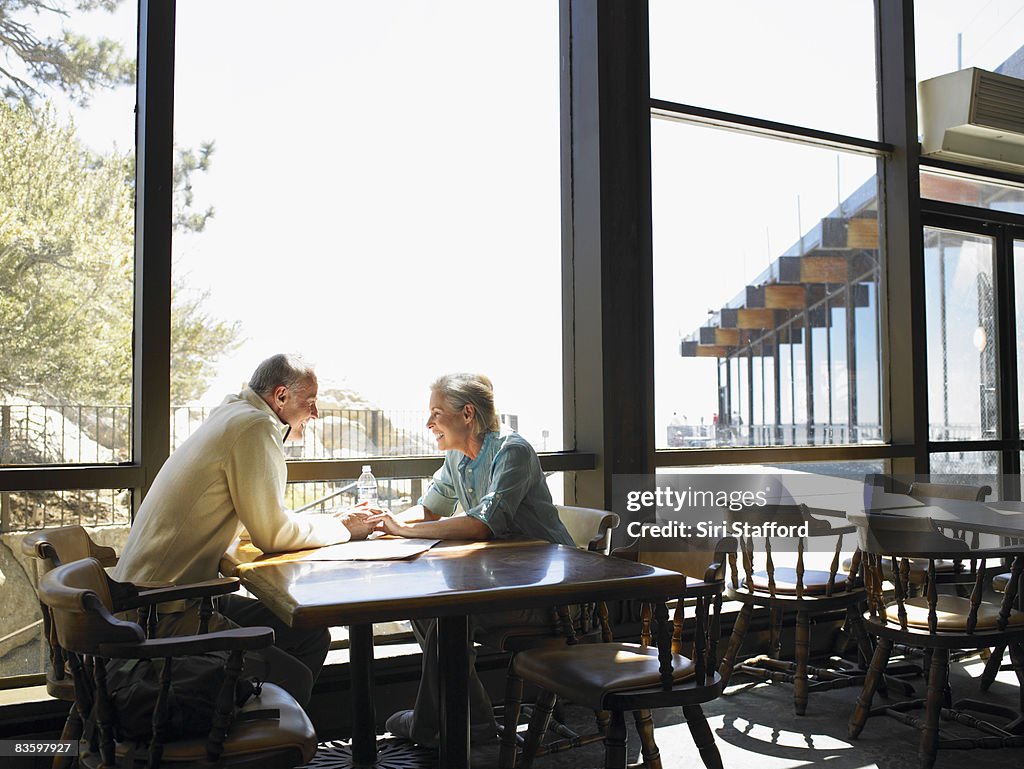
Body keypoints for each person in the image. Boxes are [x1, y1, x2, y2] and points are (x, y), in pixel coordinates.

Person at [114, 353, 375, 706]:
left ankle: (246, 718)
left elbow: (260, 521)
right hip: (161, 612)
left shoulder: (232, 413)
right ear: (281, 396)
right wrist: (343, 527)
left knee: (310, 635)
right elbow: (272, 534)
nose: (315, 413)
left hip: (157, 598)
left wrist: (312, 525)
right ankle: (259, 747)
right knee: (293, 674)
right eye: (309, 402)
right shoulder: (254, 426)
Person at [366, 372, 575, 747]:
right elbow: (430, 510)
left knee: (448, 614)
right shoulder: (457, 458)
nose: (428, 423)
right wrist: (379, 524)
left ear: (466, 414)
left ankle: (430, 724)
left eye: (435, 413)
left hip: (549, 594)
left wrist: (403, 531)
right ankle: (472, 719)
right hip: (509, 582)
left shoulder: (513, 451)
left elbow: (482, 525)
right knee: (425, 608)